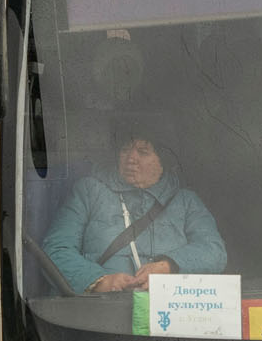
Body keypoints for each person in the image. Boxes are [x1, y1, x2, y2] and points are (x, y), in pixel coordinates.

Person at [43, 124, 226, 294]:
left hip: (167, 307)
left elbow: (213, 251)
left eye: (143, 152)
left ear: (163, 161)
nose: (131, 159)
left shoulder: (186, 201)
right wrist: (98, 281)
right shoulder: (89, 191)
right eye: (125, 150)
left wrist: (167, 266)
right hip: (101, 307)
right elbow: (56, 249)